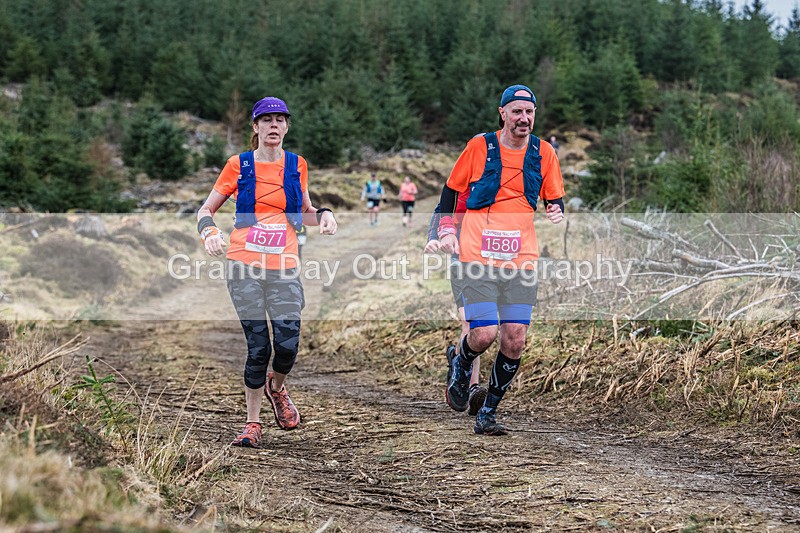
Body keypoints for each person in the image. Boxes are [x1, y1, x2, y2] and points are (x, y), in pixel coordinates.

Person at [197, 96, 337, 448]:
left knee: (287, 346)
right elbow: (205, 210)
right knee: (258, 347)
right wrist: (210, 232)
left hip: (284, 266)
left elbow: (303, 211)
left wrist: (323, 214)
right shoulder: (238, 165)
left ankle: (277, 387)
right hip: (243, 265)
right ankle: (252, 423)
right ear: (256, 127)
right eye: (267, 120)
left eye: (280, 120)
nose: (274, 125)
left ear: (287, 127)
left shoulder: (297, 165)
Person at [436, 84, 564, 436]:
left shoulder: (544, 152)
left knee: (515, 339)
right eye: (517, 112)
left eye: (530, 112)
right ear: (503, 113)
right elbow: (450, 192)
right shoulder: (480, 147)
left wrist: (556, 208)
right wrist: (444, 230)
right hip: (476, 256)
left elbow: (555, 195)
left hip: (521, 261)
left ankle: (488, 412)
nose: (524, 119)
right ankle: (460, 361)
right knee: (484, 333)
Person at [424, 204, 487, 416]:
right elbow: (443, 208)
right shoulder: (462, 180)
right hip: (462, 261)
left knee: (490, 327)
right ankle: (472, 388)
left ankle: (458, 362)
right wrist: (433, 238)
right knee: (471, 323)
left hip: (495, 264)